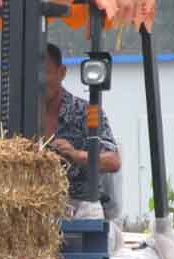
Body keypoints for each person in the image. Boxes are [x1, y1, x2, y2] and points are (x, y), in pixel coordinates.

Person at [44, 43, 122, 220]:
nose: (38, 81)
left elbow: (113, 161)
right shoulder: (20, 116)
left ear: (61, 72)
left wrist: (76, 155)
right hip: (36, 210)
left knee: (88, 218)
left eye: (45, 73)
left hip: (80, 208)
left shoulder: (85, 112)